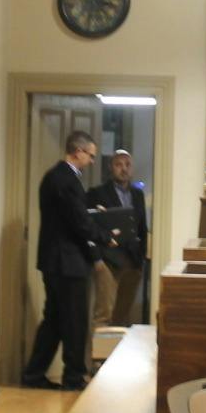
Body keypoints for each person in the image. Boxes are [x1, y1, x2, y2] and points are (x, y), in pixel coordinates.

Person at [22, 131, 101, 391]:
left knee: (54, 320)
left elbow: (70, 216)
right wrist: (104, 234)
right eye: (90, 155)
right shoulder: (66, 180)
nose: (91, 161)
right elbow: (78, 222)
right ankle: (74, 377)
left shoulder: (53, 177)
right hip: (68, 263)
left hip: (54, 261)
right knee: (75, 321)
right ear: (77, 151)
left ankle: (33, 375)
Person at [87, 150, 149, 327]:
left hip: (133, 262)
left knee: (122, 317)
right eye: (119, 165)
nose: (124, 169)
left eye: (127, 165)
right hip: (108, 261)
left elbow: (142, 227)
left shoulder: (138, 195)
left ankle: (117, 354)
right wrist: (96, 258)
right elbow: (89, 226)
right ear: (110, 168)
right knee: (104, 315)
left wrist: (141, 259)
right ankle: (100, 355)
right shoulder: (96, 193)